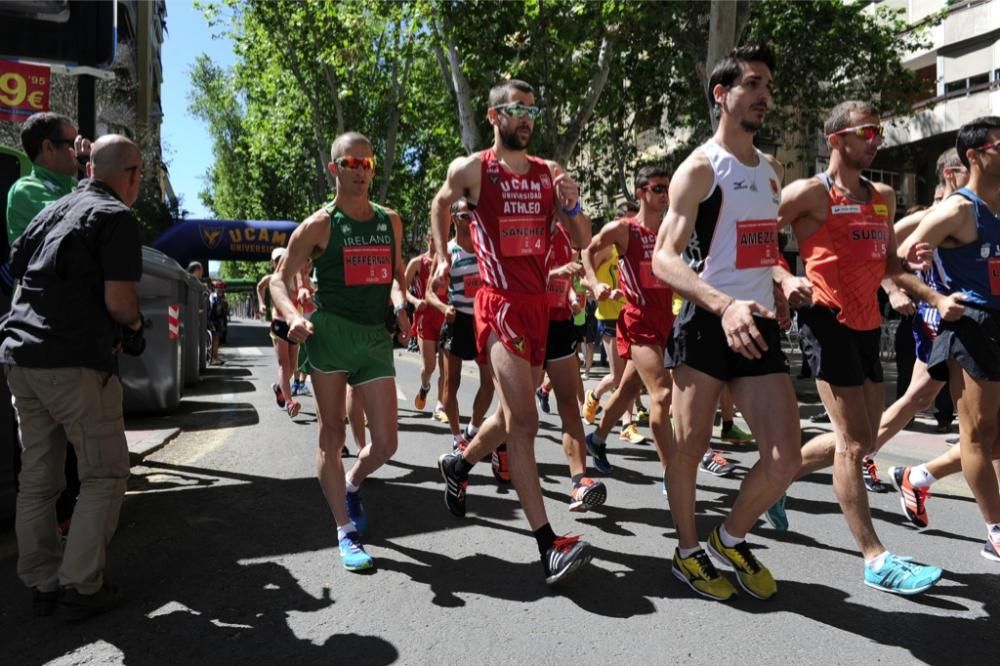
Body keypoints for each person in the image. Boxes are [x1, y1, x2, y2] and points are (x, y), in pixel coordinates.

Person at [779, 100, 958, 594]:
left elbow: (886, 261)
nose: (876, 138)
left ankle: (775, 479)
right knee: (853, 445)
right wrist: (781, 277)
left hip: (865, 323)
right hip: (824, 319)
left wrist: (917, 281)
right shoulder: (808, 193)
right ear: (837, 139)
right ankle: (875, 558)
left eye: (879, 130)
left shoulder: (883, 195)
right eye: (867, 131)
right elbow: (755, 241)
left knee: (865, 437)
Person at [652, 44, 804, 601]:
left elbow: (762, 248)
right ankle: (688, 552)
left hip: (758, 322)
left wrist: (783, 282)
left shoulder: (772, 171)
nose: (765, 95)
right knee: (688, 448)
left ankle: (728, 538)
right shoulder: (699, 168)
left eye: (768, 85)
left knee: (785, 456)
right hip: (707, 322)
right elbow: (663, 259)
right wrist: (725, 304)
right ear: (722, 94)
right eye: (753, 84)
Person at [432, 79, 593, 584]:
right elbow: (441, 202)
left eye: (531, 109)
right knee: (524, 421)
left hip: (538, 307)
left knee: (506, 417)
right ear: (493, 115)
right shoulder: (475, 170)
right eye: (515, 109)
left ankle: (459, 466)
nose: (525, 117)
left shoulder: (550, 173)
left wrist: (572, 204)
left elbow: (583, 238)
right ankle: (548, 544)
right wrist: (440, 257)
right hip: (497, 304)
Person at [1, 135, 145, 620]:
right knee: (104, 472)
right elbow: (120, 304)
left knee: (38, 477)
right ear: (130, 175)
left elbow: (16, 267)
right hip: (75, 360)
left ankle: (42, 581)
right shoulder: (117, 218)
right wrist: (136, 327)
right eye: (139, 173)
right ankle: (80, 586)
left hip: (21, 357)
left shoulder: (50, 210)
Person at [270, 131, 411, 572]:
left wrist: (402, 304)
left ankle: (352, 482)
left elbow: (395, 273)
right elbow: (278, 279)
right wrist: (293, 315)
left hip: (373, 338)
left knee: (386, 442)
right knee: (331, 433)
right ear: (334, 169)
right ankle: (344, 530)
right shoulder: (320, 224)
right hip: (329, 335)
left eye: (367, 164)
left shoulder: (390, 220)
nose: (361, 171)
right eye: (351, 164)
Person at [898, 116, 1000, 563]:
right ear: (975, 155)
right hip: (971, 324)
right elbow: (897, 262)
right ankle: (996, 532)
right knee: (976, 436)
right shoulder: (958, 210)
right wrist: (936, 298)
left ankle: (918, 476)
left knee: (995, 439)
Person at [4, 111, 91, 540]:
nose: (81, 148)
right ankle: (46, 566)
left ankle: (68, 553)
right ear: (48, 149)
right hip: (41, 342)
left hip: (73, 340)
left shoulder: (77, 187)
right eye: (72, 142)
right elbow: (77, 230)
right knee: (43, 466)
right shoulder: (28, 190)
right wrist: (96, 179)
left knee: (77, 457)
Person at [582, 165, 675, 483]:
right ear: (641, 192)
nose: (665, 194)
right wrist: (594, 285)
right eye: (658, 188)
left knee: (627, 389)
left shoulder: (670, 229)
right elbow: (588, 251)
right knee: (662, 394)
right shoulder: (624, 229)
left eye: (668, 187)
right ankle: (671, 474)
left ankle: (595, 439)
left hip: (668, 321)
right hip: (638, 321)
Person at [434, 198, 495, 452]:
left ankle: (472, 429)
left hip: (483, 322)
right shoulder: (447, 253)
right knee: (452, 383)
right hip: (457, 320)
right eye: (466, 216)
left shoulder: (486, 249)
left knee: (489, 382)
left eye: (475, 216)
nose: (472, 221)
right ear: (454, 219)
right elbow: (430, 292)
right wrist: (442, 306)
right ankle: (457, 437)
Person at [404, 239, 448, 420]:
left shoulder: (449, 262)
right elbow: (402, 287)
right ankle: (425, 386)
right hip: (425, 317)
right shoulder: (417, 263)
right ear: (429, 239)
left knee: (446, 367)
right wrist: (415, 301)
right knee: (428, 367)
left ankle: (440, 407)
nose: (437, 242)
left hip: (446, 315)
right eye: (434, 239)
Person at [257, 249, 300, 417]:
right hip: (278, 324)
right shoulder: (271, 279)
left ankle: (278, 387)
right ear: (272, 263)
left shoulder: (297, 277)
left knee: (292, 365)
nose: (281, 261)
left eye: (283, 258)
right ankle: (290, 403)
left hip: (294, 325)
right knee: (284, 364)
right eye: (277, 259)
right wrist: (262, 304)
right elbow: (259, 287)